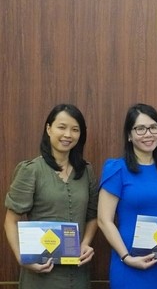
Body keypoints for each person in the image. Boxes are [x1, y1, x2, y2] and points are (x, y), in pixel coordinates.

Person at [4, 104, 98, 288]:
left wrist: (85, 244)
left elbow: (93, 216)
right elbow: (10, 220)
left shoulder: (86, 171)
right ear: (49, 129)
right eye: (61, 127)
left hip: (78, 273)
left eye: (75, 129)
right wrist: (22, 258)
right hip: (40, 273)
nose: (68, 135)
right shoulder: (30, 170)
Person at [98, 104, 157, 288]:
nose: (148, 134)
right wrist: (126, 257)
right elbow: (104, 220)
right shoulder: (117, 169)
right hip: (128, 260)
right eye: (140, 129)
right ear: (129, 135)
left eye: (153, 127)